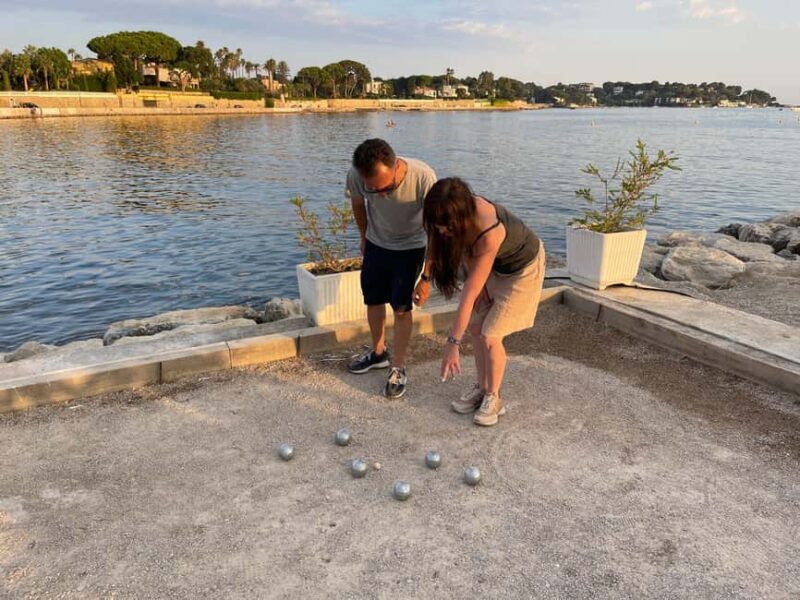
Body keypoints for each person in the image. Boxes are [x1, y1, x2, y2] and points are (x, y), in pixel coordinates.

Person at [422, 177, 546, 426]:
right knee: (476, 326)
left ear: (459, 218)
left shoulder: (489, 230)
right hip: (493, 266)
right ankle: (482, 387)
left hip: (522, 270)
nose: (442, 232)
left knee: (491, 335)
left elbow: (469, 292)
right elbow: (446, 244)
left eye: (445, 227)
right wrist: (425, 276)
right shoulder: (456, 215)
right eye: (437, 226)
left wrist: (452, 344)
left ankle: (494, 397)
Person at [345, 139, 437, 399]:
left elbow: (436, 231)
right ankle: (378, 354)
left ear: (396, 167)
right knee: (372, 300)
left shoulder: (423, 178)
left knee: (401, 307)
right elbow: (357, 204)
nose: (380, 195)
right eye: (372, 190)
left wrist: (427, 277)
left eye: (384, 187)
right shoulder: (356, 175)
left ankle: (397, 366)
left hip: (410, 247)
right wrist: (364, 237)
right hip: (377, 243)